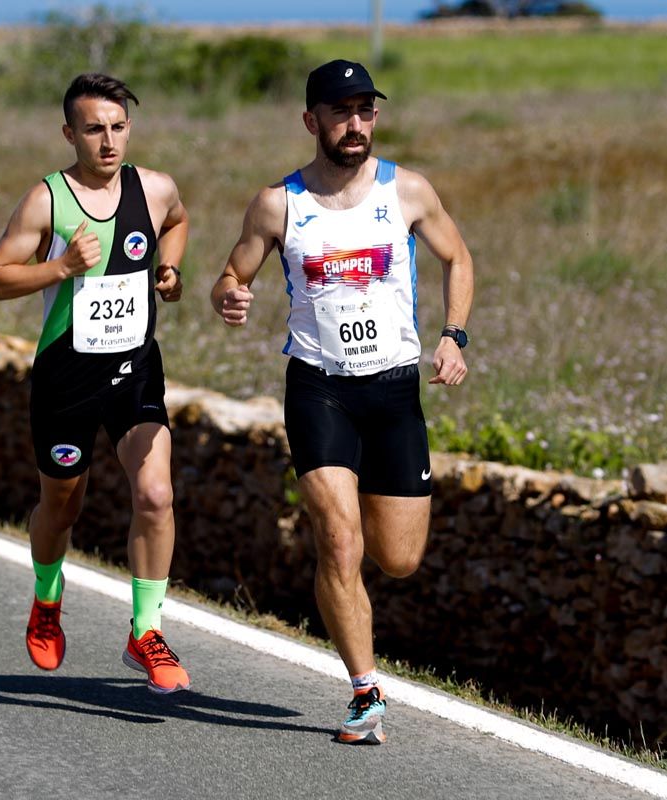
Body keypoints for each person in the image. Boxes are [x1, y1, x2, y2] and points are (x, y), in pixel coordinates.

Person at [210, 59, 474, 744]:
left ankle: (349, 590)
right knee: (338, 538)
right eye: (339, 111)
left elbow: (459, 259)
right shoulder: (279, 203)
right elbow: (233, 272)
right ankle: (364, 691)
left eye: (364, 110)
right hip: (319, 387)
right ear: (312, 121)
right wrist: (229, 295)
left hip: (393, 390)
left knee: (399, 558)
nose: (354, 124)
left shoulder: (408, 191)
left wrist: (453, 336)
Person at [0, 73, 191, 694]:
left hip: (134, 367)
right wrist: (61, 266)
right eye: (95, 129)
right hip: (66, 374)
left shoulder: (154, 189)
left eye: (119, 127)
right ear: (69, 133)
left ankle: (145, 631)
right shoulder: (47, 200)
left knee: (155, 496)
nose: (109, 141)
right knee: (61, 504)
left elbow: (177, 221)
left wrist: (171, 267)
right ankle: (48, 598)